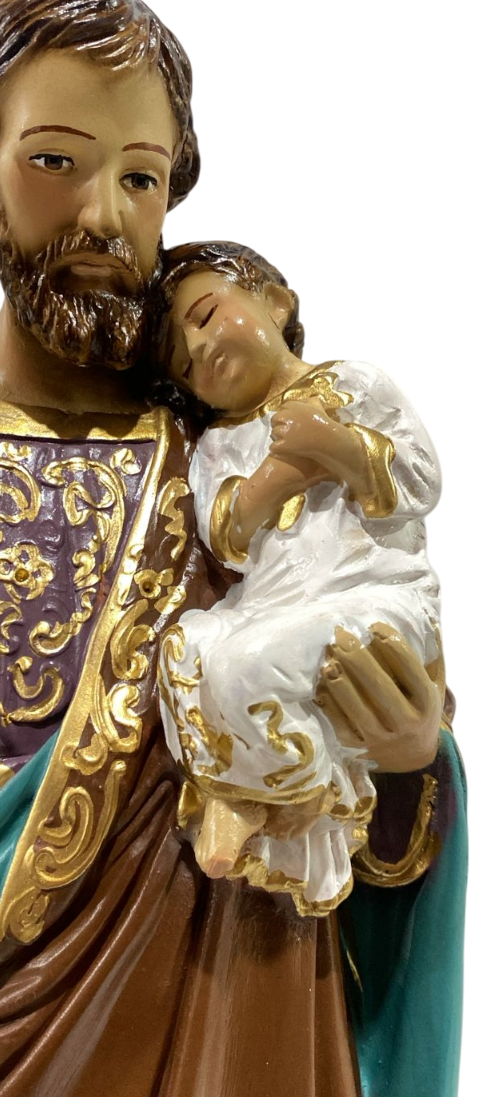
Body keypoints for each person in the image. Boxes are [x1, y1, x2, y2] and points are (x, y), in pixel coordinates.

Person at [0, 0, 465, 1097]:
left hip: (239, 1010)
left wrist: (409, 763)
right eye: (56, 159)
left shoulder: (229, 450)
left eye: (141, 178)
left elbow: (366, 757)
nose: (102, 213)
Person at [155, 241, 442, 914]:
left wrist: (337, 446)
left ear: (277, 303)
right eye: (182, 365)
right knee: (188, 648)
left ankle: (300, 791)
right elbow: (225, 535)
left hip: (370, 597)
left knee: (251, 662)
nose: (198, 349)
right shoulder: (218, 443)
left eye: (205, 315)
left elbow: (420, 479)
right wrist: (282, 473)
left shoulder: (353, 385)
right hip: (276, 603)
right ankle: (250, 785)